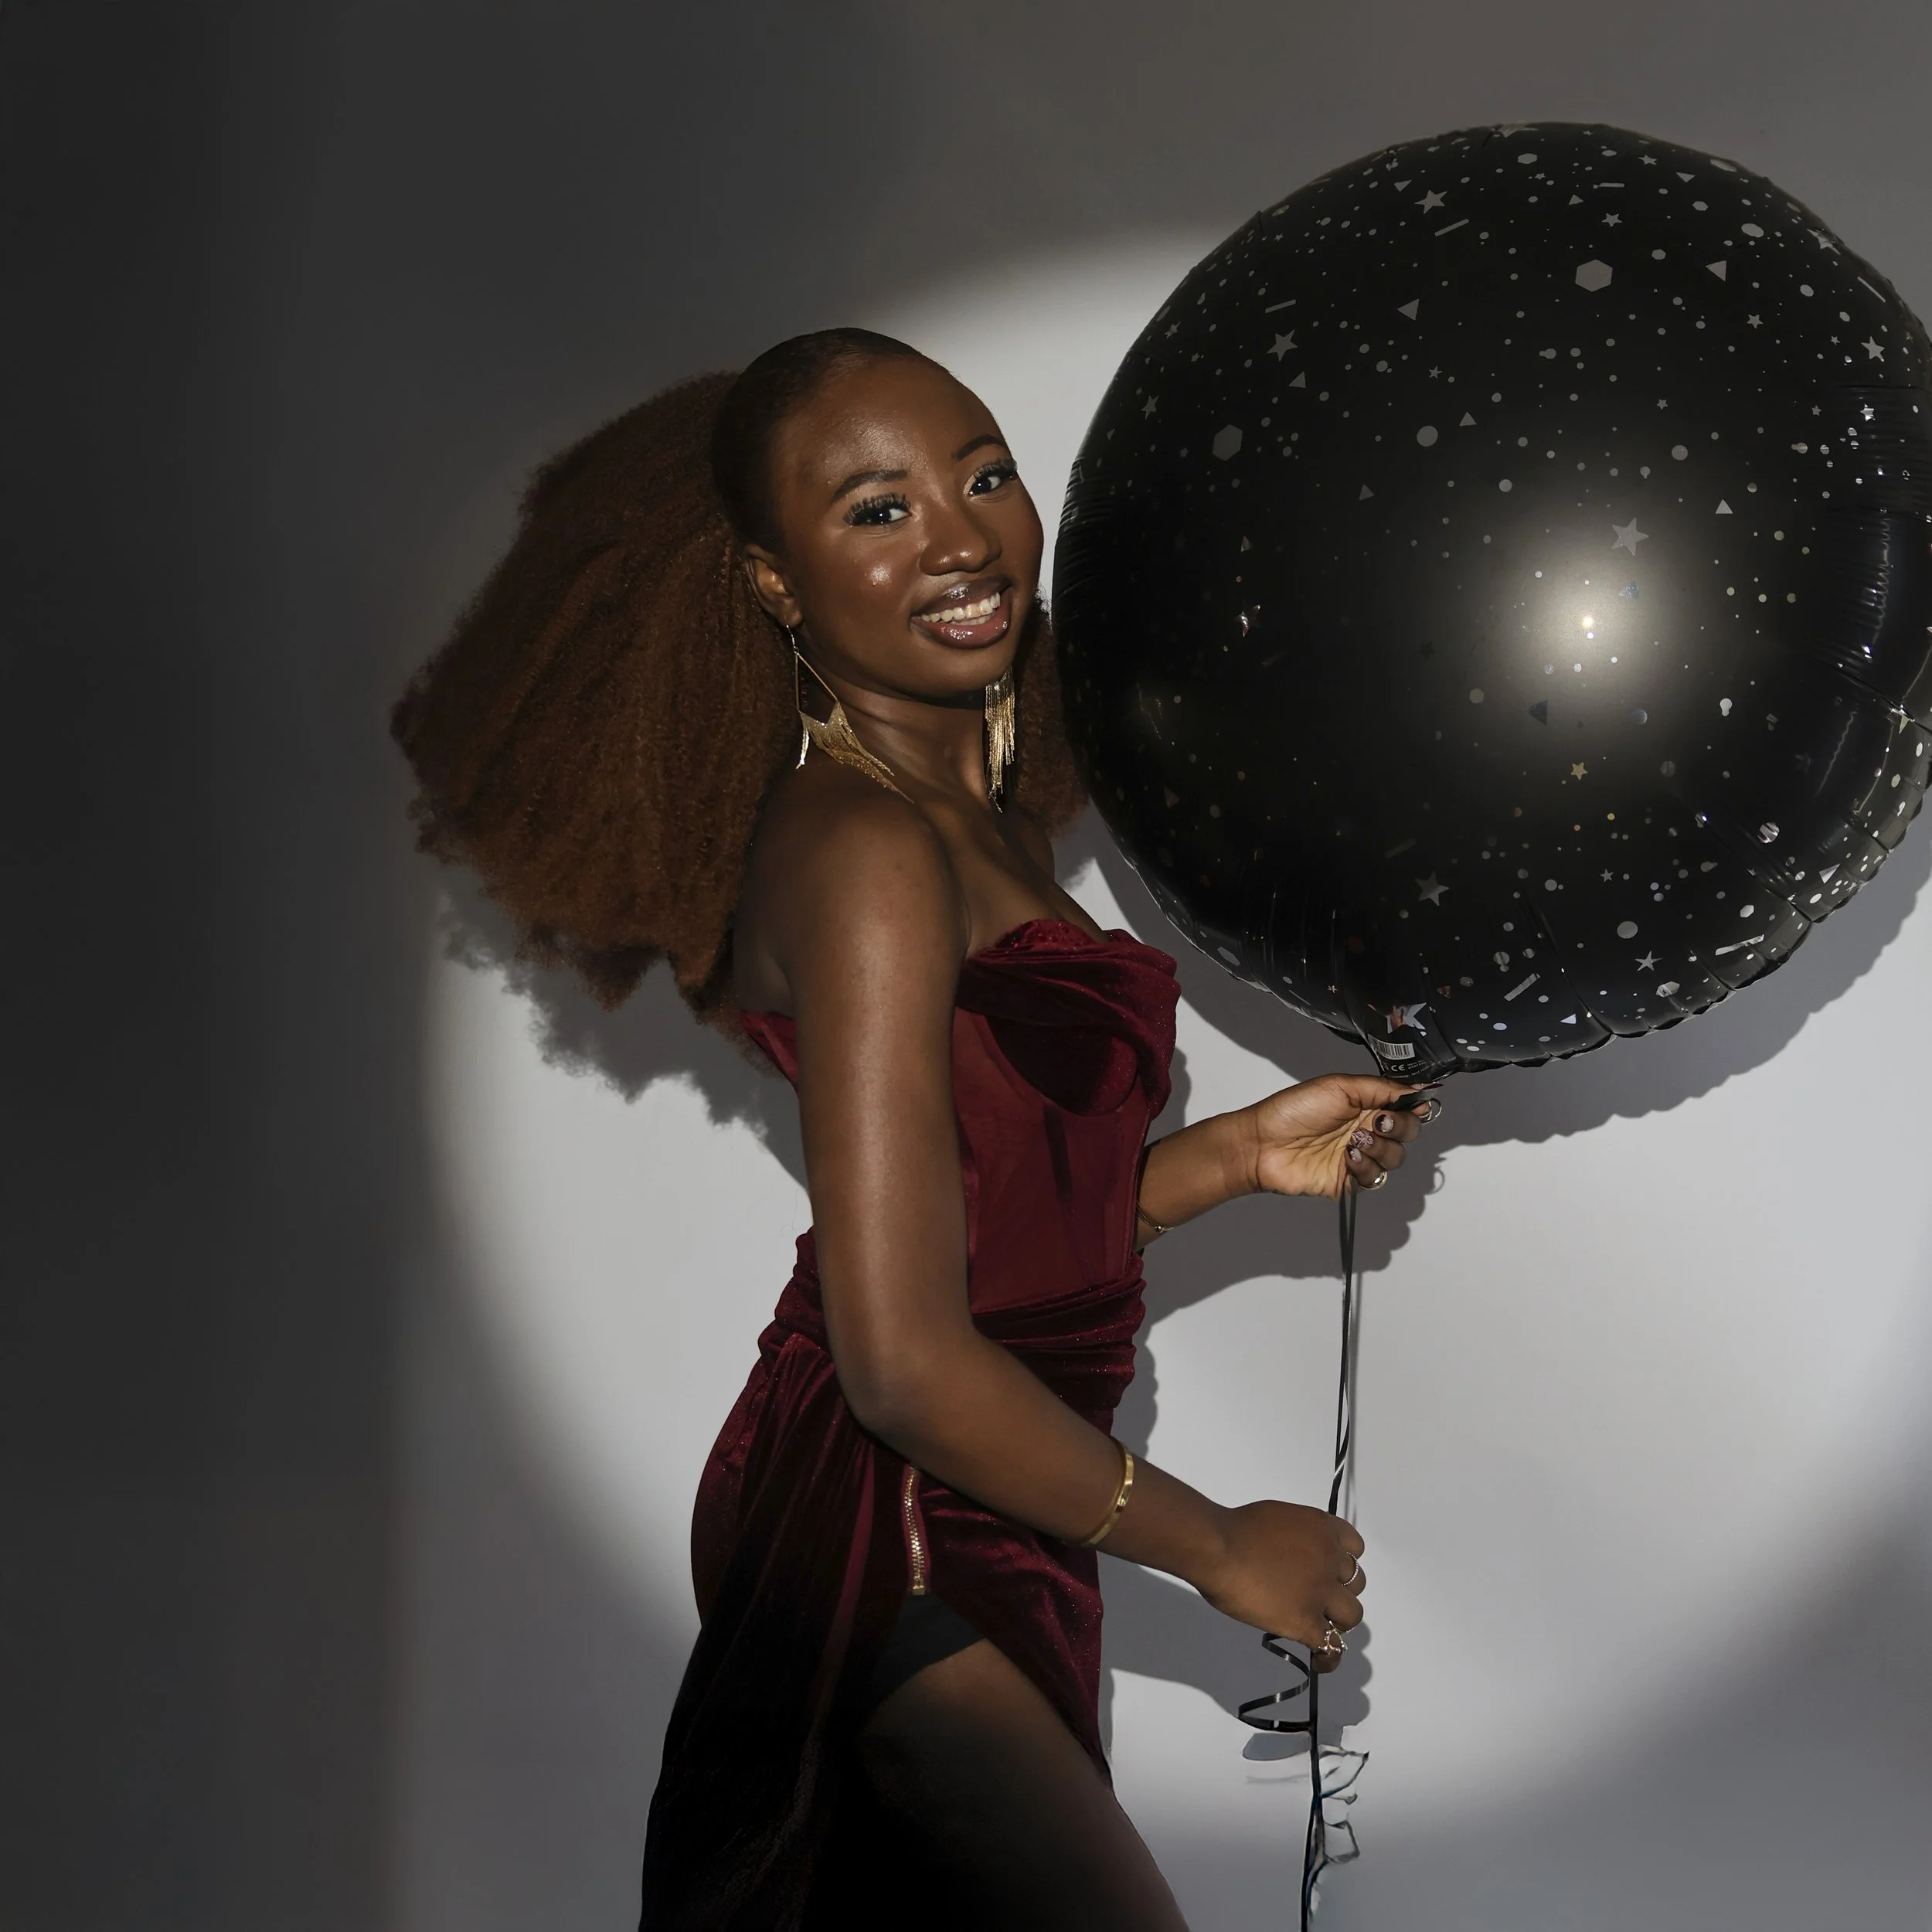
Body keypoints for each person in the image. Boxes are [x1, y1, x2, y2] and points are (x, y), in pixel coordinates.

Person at [392, 328, 1434, 1930]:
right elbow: (899, 1352)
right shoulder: (861, 846)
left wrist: (1229, 1157)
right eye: (874, 509)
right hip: (887, 1511)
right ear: (773, 583)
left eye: (983, 474)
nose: (957, 537)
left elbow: (994, 1208)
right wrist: (1214, 1541)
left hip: (1000, 1491)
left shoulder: (976, 821)